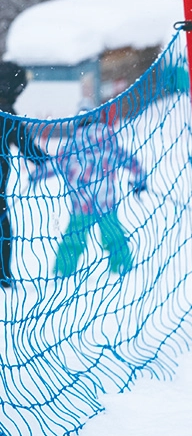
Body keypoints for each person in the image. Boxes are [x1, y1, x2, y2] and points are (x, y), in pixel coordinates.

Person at [37, 116, 146, 277]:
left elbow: (53, 165)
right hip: (105, 200)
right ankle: (122, 265)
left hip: (81, 202)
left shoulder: (72, 146)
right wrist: (140, 180)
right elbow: (129, 160)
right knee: (113, 234)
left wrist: (36, 175)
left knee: (75, 237)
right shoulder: (108, 142)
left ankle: (63, 270)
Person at [0, 61, 44, 287]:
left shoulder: (7, 112)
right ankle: (3, 276)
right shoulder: (7, 113)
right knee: (3, 229)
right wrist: (46, 161)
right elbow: (27, 147)